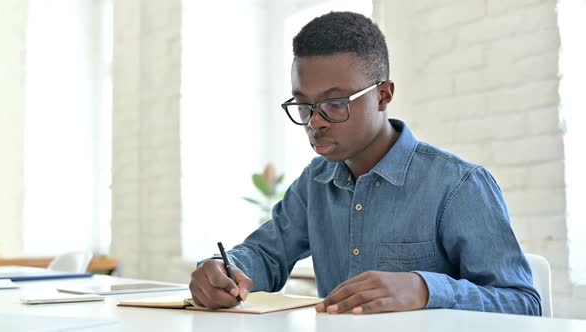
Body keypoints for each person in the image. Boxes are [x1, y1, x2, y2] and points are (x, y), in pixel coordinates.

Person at [189, 11, 541, 316]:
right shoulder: (316, 182)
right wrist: (227, 270)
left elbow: (523, 303)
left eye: (335, 103)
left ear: (383, 94)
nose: (315, 121)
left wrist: (425, 289)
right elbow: (264, 255)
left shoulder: (458, 186)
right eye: (303, 105)